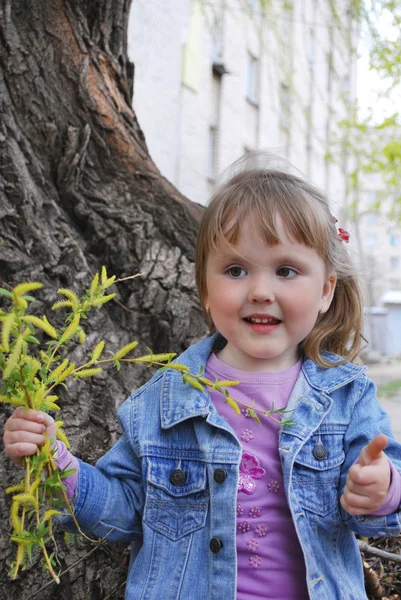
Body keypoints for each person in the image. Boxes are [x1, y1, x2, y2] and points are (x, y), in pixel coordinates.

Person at [4, 153, 401, 600]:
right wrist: (56, 463)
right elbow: (123, 511)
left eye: (286, 270)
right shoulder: (164, 399)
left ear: (326, 289)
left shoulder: (347, 397)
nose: (260, 291)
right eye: (235, 270)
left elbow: (380, 504)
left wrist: (381, 490)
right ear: (207, 292)